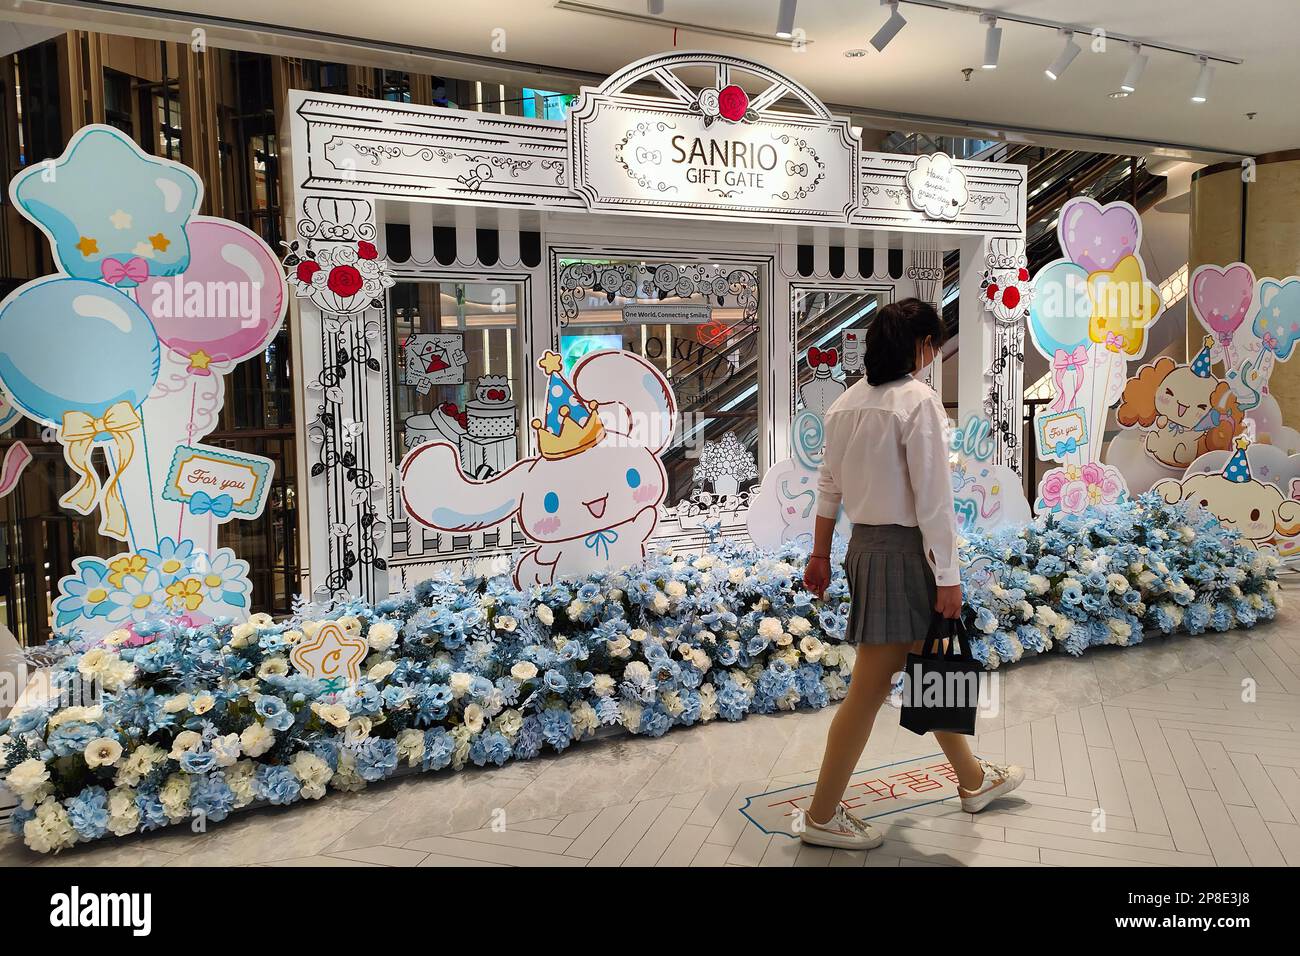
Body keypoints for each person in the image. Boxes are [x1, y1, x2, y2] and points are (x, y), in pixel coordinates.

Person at [799, 298, 1024, 850]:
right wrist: (949, 575)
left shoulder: (845, 404)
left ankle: (971, 779)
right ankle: (822, 813)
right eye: (932, 345)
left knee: (935, 665)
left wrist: (820, 553)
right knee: (874, 685)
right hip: (905, 554)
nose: (932, 355)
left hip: (864, 549)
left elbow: (828, 487)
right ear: (920, 345)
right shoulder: (917, 401)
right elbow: (934, 498)